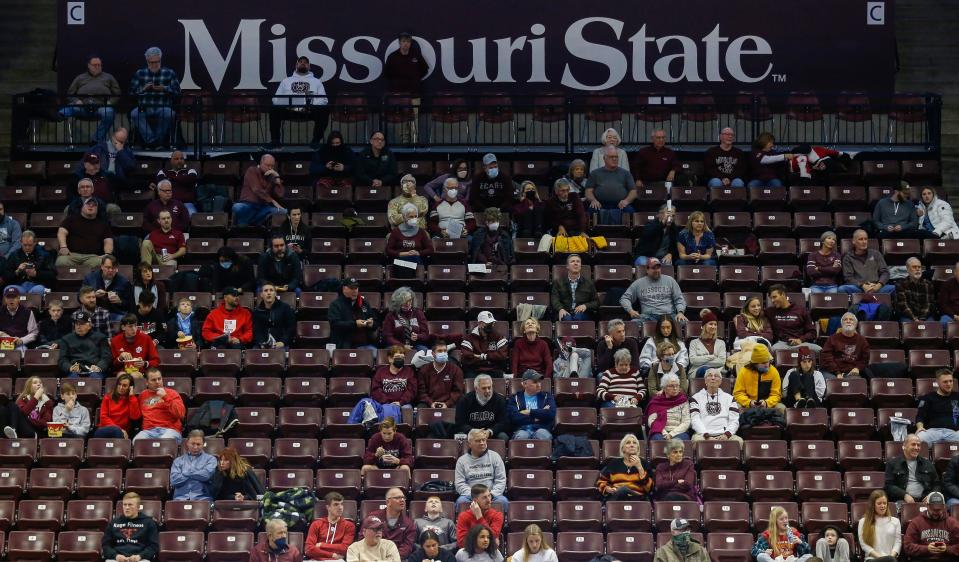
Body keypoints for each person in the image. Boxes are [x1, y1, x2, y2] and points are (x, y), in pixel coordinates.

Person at [269, 55, 329, 148]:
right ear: (296, 65)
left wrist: (310, 104)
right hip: (289, 110)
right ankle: (275, 141)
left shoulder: (317, 81)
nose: (303, 63)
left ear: (309, 66)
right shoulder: (286, 81)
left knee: (324, 110)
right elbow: (275, 99)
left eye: (305, 62)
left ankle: (315, 141)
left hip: (309, 111)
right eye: (300, 62)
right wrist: (287, 103)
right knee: (274, 109)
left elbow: (324, 99)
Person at [60, 55, 121, 143]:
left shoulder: (108, 77)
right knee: (67, 109)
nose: (97, 67)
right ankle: (58, 116)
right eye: (95, 65)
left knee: (109, 112)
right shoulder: (80, 77)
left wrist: (111, 102)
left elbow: (117, 93)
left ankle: (96, 139)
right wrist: (76, 101)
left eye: (99, 65)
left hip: (101, 107)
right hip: (82, 107)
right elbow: (70, 93)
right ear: (89, 65)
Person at [128, 46, 180, 149]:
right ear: (147, 61)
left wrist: (164, 88)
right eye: (152, 62)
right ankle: (152, 141)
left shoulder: (169, 73)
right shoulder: (140, 73)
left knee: (168, 113)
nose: (155, 64)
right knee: (135, 113)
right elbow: (131, 92)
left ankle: (157, 142)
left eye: (157, 61)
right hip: (145, 106)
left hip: (163, 105)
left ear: (160, 60)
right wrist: (143, 89)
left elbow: (177, 92)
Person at [384, 31, 428, 139]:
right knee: (402, 120)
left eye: (408, 41)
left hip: (414, 94)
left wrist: (415, 79)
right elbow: (386, 73)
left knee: (415, 119)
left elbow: (424, 69)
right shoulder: (393, 57)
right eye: (403, 41)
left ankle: (414, 141)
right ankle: (403, 141)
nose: (405, 44)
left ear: (410, 43)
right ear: (399, 43)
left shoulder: (416, 55)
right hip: (399, 95)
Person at [443, 375, 509, 441]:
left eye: (489, 387)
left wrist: (490, 431)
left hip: (491, 433)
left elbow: (503, 423)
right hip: (471, 433)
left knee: (503, 437)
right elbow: (460, 423)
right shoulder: (464, 400)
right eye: (484, 388)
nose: (488, 391)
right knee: (460, 435)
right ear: (476, 389)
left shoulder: (500, 400)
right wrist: (474, 431)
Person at [621, 258, 687, 323]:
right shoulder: (638, 283)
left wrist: (680, 312)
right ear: (647, 269)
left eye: (658, 268)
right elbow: (625, 298)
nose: (656, 270)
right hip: (648, 317)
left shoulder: (670, 280)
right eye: (653, 268)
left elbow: (679, 299)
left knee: (684, 322)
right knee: (633, 324)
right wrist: (630, 310)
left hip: (669, 315)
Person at [454, 429, 508, 509]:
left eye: (484, 440)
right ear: (469, 444)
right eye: (478, 441)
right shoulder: (462, 461)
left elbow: (501, 480)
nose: (482, 443)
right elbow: (460, 484)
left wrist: (490, 495)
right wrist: (475, 495)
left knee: (503, 501)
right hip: (471, 495)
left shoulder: (495, 456)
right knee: (461, 502)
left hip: (492, 495)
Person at [56, 196, 114, 268]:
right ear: (82, 207)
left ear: (97, 209)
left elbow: (108, 240)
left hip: (92, 257)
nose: (91, 206)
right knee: (61, 262)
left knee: (101, 264)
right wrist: (63, 246)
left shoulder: (103, 224)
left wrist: (107, 253)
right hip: (71, 255)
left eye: (94, 205)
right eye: (88, 204)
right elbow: (62, 232)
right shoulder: (71, 219)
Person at [884, 433, 941, 504]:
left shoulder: (928, 463)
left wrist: (931, 495)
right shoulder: (892, 463)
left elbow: (937, 484)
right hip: (902, 500)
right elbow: (889, 486)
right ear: (904, 446)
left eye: (918, 445)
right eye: (913, 444)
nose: (916, 448)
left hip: (925, 500)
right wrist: (904, 495)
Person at [102, 492, 159, 562]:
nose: (127, 507)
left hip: (140, 559)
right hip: (117, 559)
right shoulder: (114, 523)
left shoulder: (149, 523)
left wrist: (140, 556)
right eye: (124, 505)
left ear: (138, 507)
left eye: (130, 505)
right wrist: (115, 556)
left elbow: (153, 546)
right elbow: (106, 545)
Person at [585, 145, 638, 219]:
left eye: (616, 157)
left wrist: (626, 201)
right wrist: (593, 200)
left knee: (630, 211)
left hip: (621, 204)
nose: (614, 159)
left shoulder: (626, 173)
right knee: (591, 210)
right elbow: (588, 191)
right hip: (600, 204)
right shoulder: (595, 173)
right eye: (611, 157)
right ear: (604, 158)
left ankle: (626, 231)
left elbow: (633, 191)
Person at [903, 491, 959, 560]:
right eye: (933, 509)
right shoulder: (916, 522)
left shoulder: (953, 523)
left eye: (938, 510)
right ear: (927, 505)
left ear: (944, 506)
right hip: (923, 559)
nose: (936, 512)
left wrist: (947, 549)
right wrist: (926, 549)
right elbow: (907, 546)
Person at [690, 368, 742, 443]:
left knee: (738, 441)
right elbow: (695, 420)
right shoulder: (695, 398)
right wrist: (706, 436)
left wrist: (727, 435)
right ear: (705, 380)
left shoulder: (730, 398)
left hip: (724, 434)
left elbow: (734, 420)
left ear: (720, 381)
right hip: (703, 435)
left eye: (716, 376)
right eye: (710, 375)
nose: (713, 378)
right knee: (697, 441)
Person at [596, 433, 654, 500]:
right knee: (622, 491)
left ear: (638, 448)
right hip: (617, 497)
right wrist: (607, 489)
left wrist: (639, 467)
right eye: (628, 443)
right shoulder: (614, 463)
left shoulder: (644, 464)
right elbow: (601, 482)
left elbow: (649, 488)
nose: (632, 445)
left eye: (634, 443)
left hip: (637, 499)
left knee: (624, 490)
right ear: (622, 448)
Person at [233, 154, 286, 227]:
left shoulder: (272, 176)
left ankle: (252, 221)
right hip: (248, 205)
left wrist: (277, 178)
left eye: (272, 166)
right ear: (261, 163)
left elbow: (280, 195)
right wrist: (272, 201)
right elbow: (257, 190)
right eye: (267, 165)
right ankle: (251, 223)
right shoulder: (252, 170)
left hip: (263, 208)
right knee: (238, 207)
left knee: (283, 212)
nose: (270, 168)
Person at [135, 367, 186, 442]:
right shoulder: (142, 395)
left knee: (163, 441)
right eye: (153, 380)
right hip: (148, 431)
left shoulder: (172, 393)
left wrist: (165, 397)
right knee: (136, 441)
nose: (157, 382)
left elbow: (180, 414)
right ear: (146, 382)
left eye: (159, 379)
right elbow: (136, 415)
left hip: (170, 430)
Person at [365, 487, 417, 560]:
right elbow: (364, 538)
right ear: (388, 502)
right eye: (398, 498)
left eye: (403, 497)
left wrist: (391, 559)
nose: (402, 500)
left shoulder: (409, 523)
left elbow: (407, 547)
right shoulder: (373, 517)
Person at [766, 284, 821, 352]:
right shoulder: (770, 311)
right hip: (781, 345)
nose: (772, 300)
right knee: (773, 350)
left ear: (783, 294)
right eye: (771, 298)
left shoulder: (801, 310)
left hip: (801, 343)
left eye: (774, 297)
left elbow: (812, 332)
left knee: (820, 350)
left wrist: (801, 339)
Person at [328, 277, 378, 350]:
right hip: (343, 345)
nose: (355, 291)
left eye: (356, 288)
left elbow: (376, 322)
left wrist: (372, 324)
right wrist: (355, 324)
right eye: (352, 288)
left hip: (364, 344)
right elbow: (335, 324)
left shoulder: (364, 303)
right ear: (344, 289)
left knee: (375, 353)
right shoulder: (336, 305)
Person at [839, 229, 896, 294]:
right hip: (859, 288)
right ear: (854, 241)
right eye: (861, 239)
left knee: (894, 288)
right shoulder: (848, 257)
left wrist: (879, 285)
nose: (864, 242)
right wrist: (863, 285)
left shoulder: (876, 254)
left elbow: (885, 272)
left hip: (876, 287)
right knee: (842, 289)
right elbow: (848, 277)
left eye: (865, 239)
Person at [732, 343, 785, 413]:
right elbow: (738, 393)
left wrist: (767, 403)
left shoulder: (774, 372)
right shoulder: (744, 372)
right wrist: (749, 402)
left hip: (767, 405)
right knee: (735, 407)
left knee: (782, 408)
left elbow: (776, 395)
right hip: (748, 405)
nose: (767, 365)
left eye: (768, 362)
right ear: (755, 363)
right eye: (763, 363)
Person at [58, 310, 111, 377]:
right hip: (75, 370)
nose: (78, 326)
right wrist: (70, 367)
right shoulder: (66, 339)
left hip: (94, 370)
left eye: (82, 324)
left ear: (89, 325)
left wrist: (99, 367)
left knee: (95, 377)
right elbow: (62, 359)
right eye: (76, 324)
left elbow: (106, 357)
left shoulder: (101, 338)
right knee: (72, 378)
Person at [507, 369, 556, 440]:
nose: (539, 384)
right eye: (535, 382)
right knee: (521, 436)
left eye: (539, 381)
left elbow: (551, 413)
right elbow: (514, 417)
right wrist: (537, 416)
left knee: (543, 435)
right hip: (522, 429)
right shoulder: (514, 398)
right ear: (524, 384)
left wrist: (529, 412)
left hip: (541, 429)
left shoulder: (547, 396)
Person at [306, 492, 356, 561]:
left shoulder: (349, 525)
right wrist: (332, 555)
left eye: (341, 504)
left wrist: (321, 545)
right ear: (328, 507)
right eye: (336, 504)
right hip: (317, 560)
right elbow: (308, 549)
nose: (340, 507)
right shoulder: (316, 524)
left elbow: (345, 548)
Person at [387, 203, 433, 277]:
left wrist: (418, 253)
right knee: (405, 263)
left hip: (416, 261)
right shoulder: (396, 232)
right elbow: (389, 250)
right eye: (411, 217)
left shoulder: (421, 232)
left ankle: (408, 282)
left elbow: (430, 249)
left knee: (414, 259)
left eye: (415, 216)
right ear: (404, 217)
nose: (414, 219)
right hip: (400, 261)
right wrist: (402, 254)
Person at [4, 230, 56, 295]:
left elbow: (53, 274)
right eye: (25, 245)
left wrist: (36, 274)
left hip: (37, 284)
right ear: (21, 242)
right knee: (9, 290)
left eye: (30, 245)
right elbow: (6, 276)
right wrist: (17, 271)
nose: (27, 248)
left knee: (38, 290)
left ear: (35, 242)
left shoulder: (44, 254)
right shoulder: (14, 255)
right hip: (19, 285)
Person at [82, 254, 133, 320]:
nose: (111, 270)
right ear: (102, 266)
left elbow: (129, 304)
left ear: (117, 269)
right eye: (108, 267)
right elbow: (79, 297)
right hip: (93, 312)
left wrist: (120, 301)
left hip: (114, 313)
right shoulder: (90, 278)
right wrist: (94, 295)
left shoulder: (124, 282)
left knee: (123, 320)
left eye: (113, 268)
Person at [170, 429, 217, 500]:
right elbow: (174, 480)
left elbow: (206, 475)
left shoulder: (211, 459)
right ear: (187, 443)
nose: (195, 447)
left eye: (198, 444)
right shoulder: (178, 461)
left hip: (202, 499)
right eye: (193, 444)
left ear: (203, 444)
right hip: (180, 499)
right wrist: (197, 474)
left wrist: (186, 473)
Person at [459, 311, 508, 379]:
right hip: (475, 371)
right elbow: (466, 358)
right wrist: (492, 357)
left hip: (493, 370)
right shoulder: (469, 338)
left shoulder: (498, 337)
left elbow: (502, 355)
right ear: (480, 323)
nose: (492, 325)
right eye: (489, 323)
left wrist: (482, 357)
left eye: (492, 323)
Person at [916, 369, 959, 446]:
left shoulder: (957, 397)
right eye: (945, 382)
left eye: (950, 381)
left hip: (953, 433)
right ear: (937, 382)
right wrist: (920, 427)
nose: (949, 384)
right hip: (932, 432)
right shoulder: (927, 398)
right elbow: (920, 416)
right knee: (917, 439)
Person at [417, 340, 465, 408]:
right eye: (440, 351)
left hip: (450, 403)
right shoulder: (424, 370)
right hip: (429, 403)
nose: (443, 353)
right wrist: (430, 403)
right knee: (421, 407)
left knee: (460, 405)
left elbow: (458, 391)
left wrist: (447, 404)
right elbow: (422, 392)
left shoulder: (456, 369)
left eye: (445, 351)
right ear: (433, 354)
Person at [455, 483, 504, 549]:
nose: (489, 500)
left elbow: (492, 536)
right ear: (475, 500)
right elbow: (461, 543)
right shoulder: (463, 516)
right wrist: (490, 542)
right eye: (484, 497)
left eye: (489, 496)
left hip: (489, 552)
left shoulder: (497, 515)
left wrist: (479, 517)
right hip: (469, 552)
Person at [857, 490, 902, 562]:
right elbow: (864, 544)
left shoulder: (895, 521)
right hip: (872, 559)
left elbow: (898, 542)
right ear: (873, 505)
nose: (883, 506)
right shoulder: (863, 521)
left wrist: (891, 557)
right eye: (879, 503)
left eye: (884, 503)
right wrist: (882, 558)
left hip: (891, 559)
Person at [551, 254, 598, 321]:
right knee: (567, 318)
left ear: (580, 266)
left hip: (582, 314)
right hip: (565, 311)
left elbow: (596, 302)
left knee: (578, 317)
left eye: (578, 261)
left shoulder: (589, 283)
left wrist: (585, 306)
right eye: (572, 261)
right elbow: (554, 299)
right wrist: (560, 309)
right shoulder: (558, 282)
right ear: (567, 266)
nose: (575, 263)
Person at [94, 373, 141, 438]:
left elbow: (135, 417)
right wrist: (119, 429)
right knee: (116, 431)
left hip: (123, 432)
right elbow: (103, 417)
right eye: (119, 384)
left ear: (130, 387)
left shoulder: (132, 400)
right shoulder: (108, 397)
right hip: (104, 429)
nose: (121, 387)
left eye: (124, 386)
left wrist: (132, 397)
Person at [647, 373, 690, 440]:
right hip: (660, 431)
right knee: (658, 440)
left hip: (678, 432)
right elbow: (652, 421)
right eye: (671, 386)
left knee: (678, 442)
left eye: (677, 385)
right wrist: (665, 434)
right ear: (664, 388)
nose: (675, 388)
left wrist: (671, 434)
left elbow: (686, 422)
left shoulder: (683, 400)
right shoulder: (656, 401)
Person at [252, 283, 295, 349]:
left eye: (271, 290)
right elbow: (257, 330)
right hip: (263, 345)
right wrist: (262, 343)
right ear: (261, 295)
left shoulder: (285, 308)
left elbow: (290, 328)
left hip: (281, 344)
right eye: (266, 291)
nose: (269, 293)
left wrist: (283, 342)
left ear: (275, 294)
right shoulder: (257, 311)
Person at [897, 257, 940, 322]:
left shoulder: (928, 284)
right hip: (908, 316)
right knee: (909, 326)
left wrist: (922, 319)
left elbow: (929, 304)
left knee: (931, 327)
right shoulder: (901, 284)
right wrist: (914, 319)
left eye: (919, 267)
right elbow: (903, 305)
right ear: (908, 269)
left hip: (925, 316)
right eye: (914, 267)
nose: (917, 269)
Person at [688, 309, 726, 377]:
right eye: (710, 324)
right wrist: (711, 357)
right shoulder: (694, 343)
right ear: (704, 326)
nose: (713, 326)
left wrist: (701, 360)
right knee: (704, 369)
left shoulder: (721, 343)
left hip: (718, 371)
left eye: (715, 324)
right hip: (697, 372)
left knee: (713, 373)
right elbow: (693, 360)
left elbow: (721, 361)